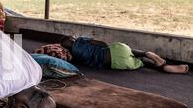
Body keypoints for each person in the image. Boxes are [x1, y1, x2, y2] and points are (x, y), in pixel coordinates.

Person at [60, 36, 189, 74]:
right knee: (132, 52)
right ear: (72, 39)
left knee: (142, 64)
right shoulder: (81, 40)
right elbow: (102, 43)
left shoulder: (74, 56)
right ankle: (147, 53)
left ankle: (165, 68)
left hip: (115, 63)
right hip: (116, 51)